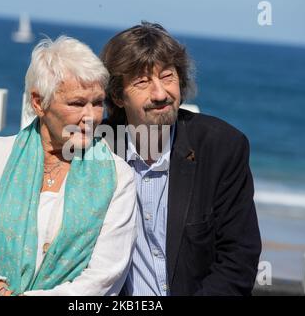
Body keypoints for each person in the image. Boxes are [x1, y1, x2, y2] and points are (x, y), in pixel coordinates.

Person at [0, 36, 137, 296]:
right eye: (77, 103)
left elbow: (105, 276)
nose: (91, 116)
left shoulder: (118, 177)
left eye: (97, 103)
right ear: (39, 103)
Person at [100, 22, 262, 295]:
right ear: (117, 95)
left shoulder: (223, 147)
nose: (160, 93)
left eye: (167, 76)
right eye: (142, 81)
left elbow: (238, 261)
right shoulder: (94, 149)